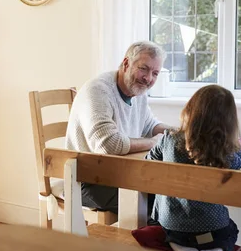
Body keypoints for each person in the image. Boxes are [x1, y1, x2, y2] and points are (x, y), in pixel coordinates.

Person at [65, 41, 174, 214]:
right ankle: (134, 241)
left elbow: (150, 126)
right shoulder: (98, 90)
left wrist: (182, 134)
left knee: (168, 191)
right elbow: (108, 144)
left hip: (116, 173)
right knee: (161, 201)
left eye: (155, 73)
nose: (148, 78)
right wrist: (153, 143)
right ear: (126, 64)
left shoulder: (138, 92)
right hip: (87, 181)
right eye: (143, 69)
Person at [147, 84, 241, 251]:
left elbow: (150, 159)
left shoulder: (169, 138)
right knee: (231, 231)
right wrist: (236, 144)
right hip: (212, 229)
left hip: (174, 226)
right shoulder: (228, 152)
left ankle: (182, 249)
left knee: (166, 232)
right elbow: (239, 163)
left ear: (190, 109)